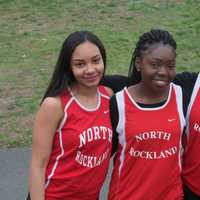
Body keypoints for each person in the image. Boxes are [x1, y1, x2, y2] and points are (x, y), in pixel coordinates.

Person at [28, 30, 113, 200]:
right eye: (80, 64)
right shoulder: (55, 105)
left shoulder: (109, 96)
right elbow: (38, 165)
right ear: (69, 66)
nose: (90, 70)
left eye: (96, 61)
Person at [107, 29, 186, 200]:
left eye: (170, 65)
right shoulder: (119, 103)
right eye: (155, 64)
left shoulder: (181, 97)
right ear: (138, 63)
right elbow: (102, 155)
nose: (163, 72)